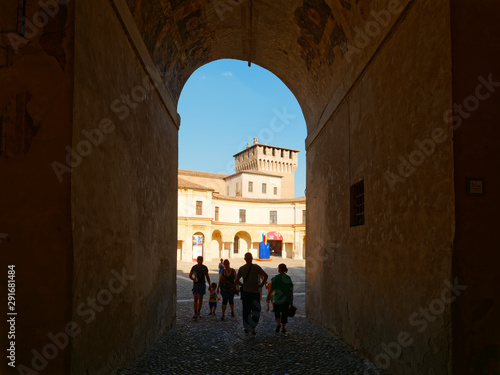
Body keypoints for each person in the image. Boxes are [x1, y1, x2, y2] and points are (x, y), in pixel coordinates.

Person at [236, 252, 268, 335]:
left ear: (245, 259)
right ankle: (252, 327)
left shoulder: (241, 268)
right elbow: (266, 275)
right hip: (255, 293)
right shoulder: (256, 267)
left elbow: (236, 280)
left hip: (246, 293)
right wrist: (261, 284)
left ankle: (246, 327)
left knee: (246, 311)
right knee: (256, 310)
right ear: (252, 258)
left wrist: (243, 284)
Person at [271, 263, 293, 333]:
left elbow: (272, 288)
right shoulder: (288, 278)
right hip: (286, 299)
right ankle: (283, 327)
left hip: (277, 299)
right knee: (284, 313)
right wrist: (292, 300)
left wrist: (268, 296)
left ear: (280, 269)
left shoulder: (276, 277)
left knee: (277, 313)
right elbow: (291, 291)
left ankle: (278, 324)